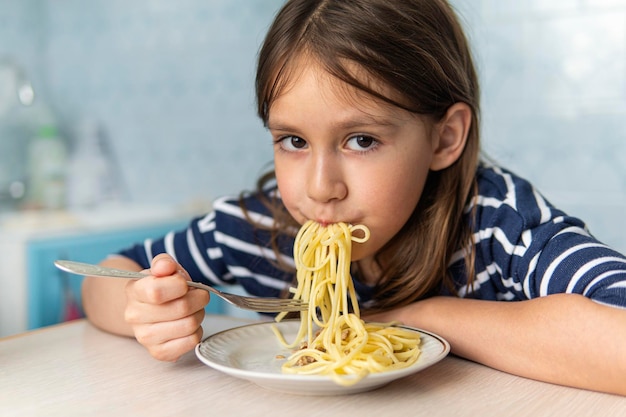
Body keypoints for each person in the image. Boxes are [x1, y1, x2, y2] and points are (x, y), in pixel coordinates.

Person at [82, 0, 626, 396]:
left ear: (444, 137)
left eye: (361, 140)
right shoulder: (258, 227)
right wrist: (148, 309)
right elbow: (109, 273)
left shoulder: (498, 223)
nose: (320, 188)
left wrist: (423, 317)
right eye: (293, 141)